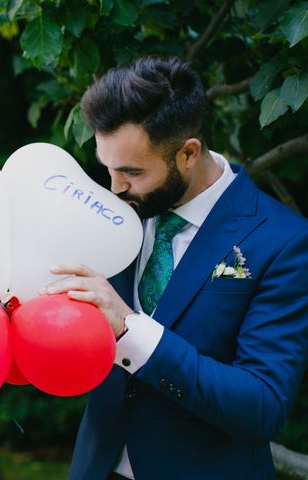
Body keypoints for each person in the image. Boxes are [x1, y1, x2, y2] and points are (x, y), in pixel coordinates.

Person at [43, 56, 308, 479]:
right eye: (107, 167)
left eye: (131, 171)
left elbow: (262, 407)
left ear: (188, 153)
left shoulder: (283, 241)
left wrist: (132, 330)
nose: (114, 188)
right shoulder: (112, 209)